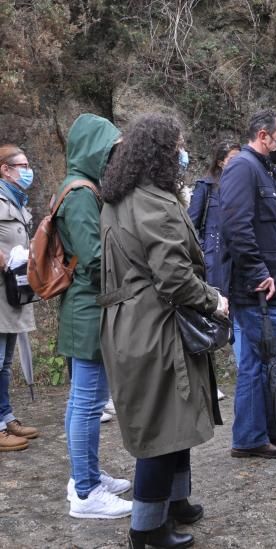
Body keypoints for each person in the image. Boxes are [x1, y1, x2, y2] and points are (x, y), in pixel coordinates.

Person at [99, 113, 227, 548]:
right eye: (178, 145)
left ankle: (176, 502)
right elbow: (172, 274)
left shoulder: (121, 196)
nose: (183, 153)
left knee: (174, 418)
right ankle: (147, 529)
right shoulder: (152, 201)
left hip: (142, 323)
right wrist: (214, 300)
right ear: (161, 152)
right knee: (159, 428)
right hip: (154, 327)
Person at [56, 114, 132, 519]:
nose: (113, 160)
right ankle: (86, 493)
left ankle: (85, 476)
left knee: (85, 401)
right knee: (87, 403)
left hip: (88, 308)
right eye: (109, 151)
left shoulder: (81, 189)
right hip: (88, 310)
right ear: (92, 150)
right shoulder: (81, 194)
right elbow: (95, 258)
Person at [220, 108, 276, 458]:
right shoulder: (243, 168)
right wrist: (258, 272)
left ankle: (265, 430)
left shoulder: (264, 171)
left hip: (273, 286)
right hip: (255, 289)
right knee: (274, 361)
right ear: (263, 136)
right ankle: (252, 436)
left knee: (269, 362)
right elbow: (236, 226)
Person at [188, 140, 241, 401]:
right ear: (220, 161)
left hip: (237, 261)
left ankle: (244, 373)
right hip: (214, 260)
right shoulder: (206, 187)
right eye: (232, 157)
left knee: (237, 319)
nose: (236, 162)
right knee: (212, 321)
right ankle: (209, 382)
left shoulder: (242, 184)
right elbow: (192, 224)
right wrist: (201, 256)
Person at [0, 145, 38, 451]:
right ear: (5, 169)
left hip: (13, 289)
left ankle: (6, 416)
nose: (28, 171)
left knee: (5, 361)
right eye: (22, 165)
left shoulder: (15, 199)